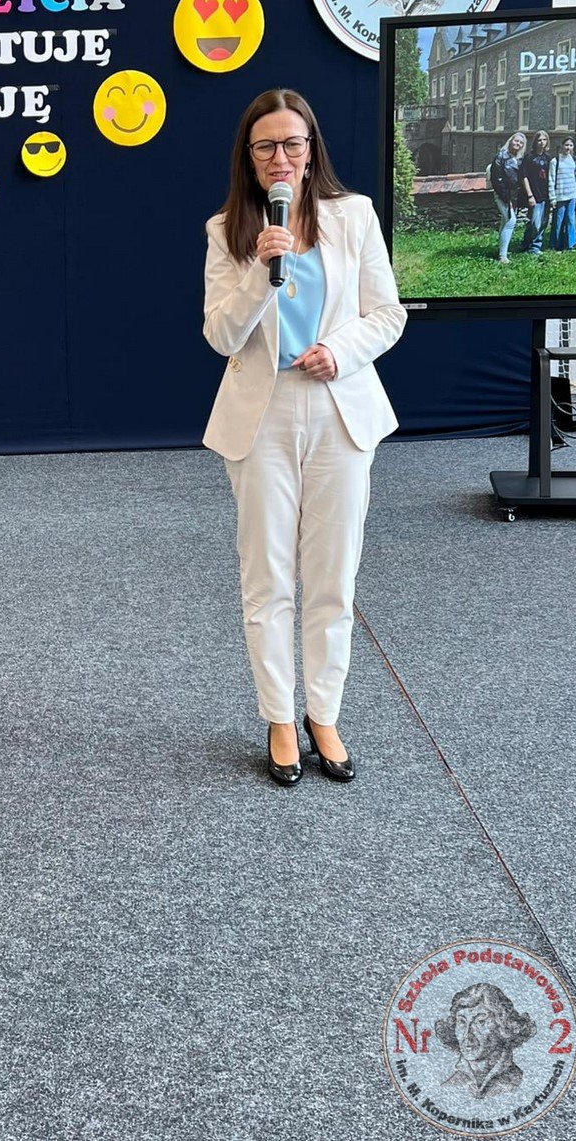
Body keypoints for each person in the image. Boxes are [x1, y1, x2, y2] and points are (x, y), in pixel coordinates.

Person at [202, 89, 407, 787]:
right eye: (266, 146)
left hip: (338, 408)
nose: (280, 157)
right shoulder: (227, 229)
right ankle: (279, 717)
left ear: (311, 150)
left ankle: (325, 713)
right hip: (261, 415)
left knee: (332, 575)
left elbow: (387, 314)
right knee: (266, 575)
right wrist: (263, 272)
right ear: (249, 156)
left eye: (292, 143)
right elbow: (221, 335)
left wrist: (340, 351)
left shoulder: (354, 216)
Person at [435, 984, 536, 1100]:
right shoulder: (449, 1086)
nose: (468, 1035)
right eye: (462, 1022)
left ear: (503, 1026)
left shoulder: (523, 1083)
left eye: (480, 1022)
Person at [488, 132, 527, 263]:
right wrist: (506, 198)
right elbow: (496, 179)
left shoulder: (518, 159)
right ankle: (503, 256)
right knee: (511, 221)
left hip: (514, 195)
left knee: (505, 221)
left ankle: (502, 250)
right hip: (502, 194)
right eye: (516, 141)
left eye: (521, 143)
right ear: (510, 141)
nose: (518, 144)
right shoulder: (500, 157)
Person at [548, 134, 576, 251]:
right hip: (560, 196)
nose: (568, 147)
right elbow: (551, 179)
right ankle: (556, 245)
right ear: (562, 145)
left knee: (571, 220)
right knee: (558, 220)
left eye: (571, 145)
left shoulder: (574, 160)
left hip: (572, 195)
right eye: (566, 145)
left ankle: (570, 244)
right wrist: (552, 197)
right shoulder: (555, 161)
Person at [520, 131, 550, 257]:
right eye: (539, 140)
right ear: (535, 142)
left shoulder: (548, 158)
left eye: (544, 140)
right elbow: (524, 176)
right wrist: (529, 195)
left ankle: (534, 246)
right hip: (534, 194)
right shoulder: (529, 157)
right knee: (534, 222)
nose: (542, 142)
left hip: (546, 194)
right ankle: (527, 243)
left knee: (543, 222)